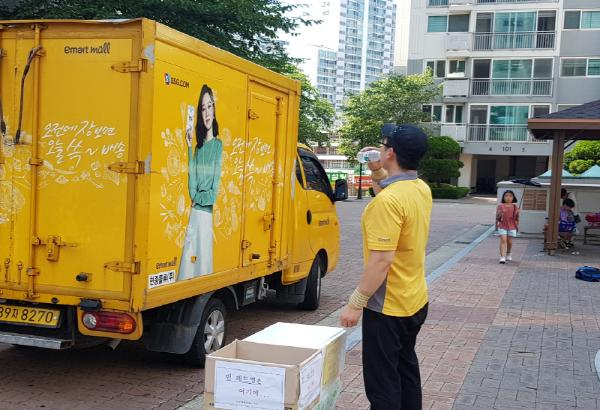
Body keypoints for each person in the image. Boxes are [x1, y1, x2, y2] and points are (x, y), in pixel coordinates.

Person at [340, 125, 432, 410]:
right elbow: (392, 193)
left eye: (382, 145)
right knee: (405, 369)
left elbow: (382, 260)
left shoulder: (388, 202)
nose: (379, 148)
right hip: (414, 299)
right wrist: (378, 171)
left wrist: (355, 303)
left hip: (387, 307)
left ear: (390, 152)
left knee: (383, 385)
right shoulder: (420, 188)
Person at [179, 84, 223, 280]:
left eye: (209, 106)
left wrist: (198, 198)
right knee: (188, 266)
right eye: (203, 108)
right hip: (195, 215)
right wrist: (189, 147)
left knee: (202, 265)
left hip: (204, 216)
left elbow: (214, 191)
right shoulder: (198, 148)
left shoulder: (218, 145)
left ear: (214, 108)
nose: (207, 113)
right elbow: (192, 182)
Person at [495, 190, 519, 264]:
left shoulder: (515, 207)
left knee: (509, 241)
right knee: (503, 240)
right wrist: (499, 214)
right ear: (503, 197)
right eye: (506, 196)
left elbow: (517, 219)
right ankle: (502, 257)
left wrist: (517, 213)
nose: (508, 197)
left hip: (512, 226)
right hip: (502, 225)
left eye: (510, 196)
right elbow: (497, 217)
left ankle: (509, 253)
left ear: (513, 197)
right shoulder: (500, 206)